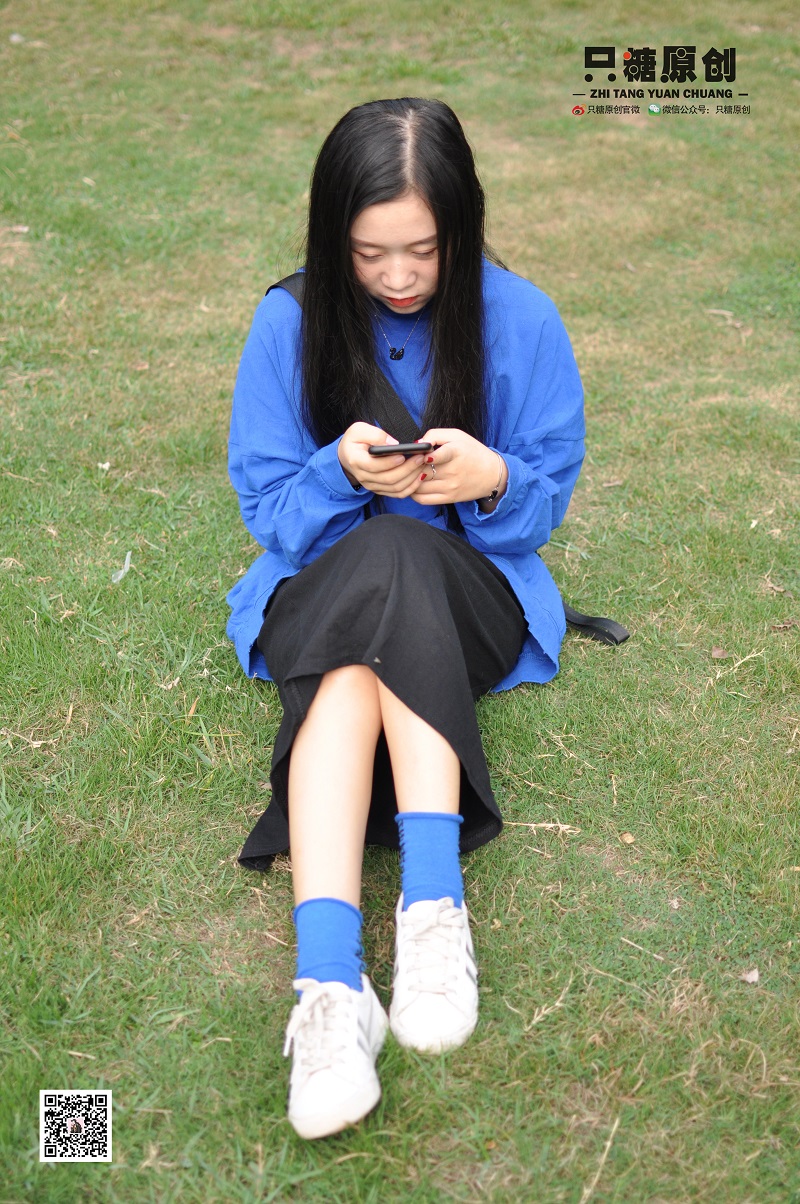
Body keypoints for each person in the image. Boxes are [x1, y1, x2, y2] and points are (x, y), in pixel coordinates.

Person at [227, 97, 585, 1140]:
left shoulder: (522, 317)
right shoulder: (286, 321)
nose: (395, 277)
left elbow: (542, 504)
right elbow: (270, 515)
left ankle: (366, 954)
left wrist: (491, 479)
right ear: (330, 235)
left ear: (462, 229)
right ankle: (371, 955)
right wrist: (338, 473)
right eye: (368, 252)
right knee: (372, 584)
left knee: (392, 579)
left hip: (470, 593)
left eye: (422, 252)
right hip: (324, 588)